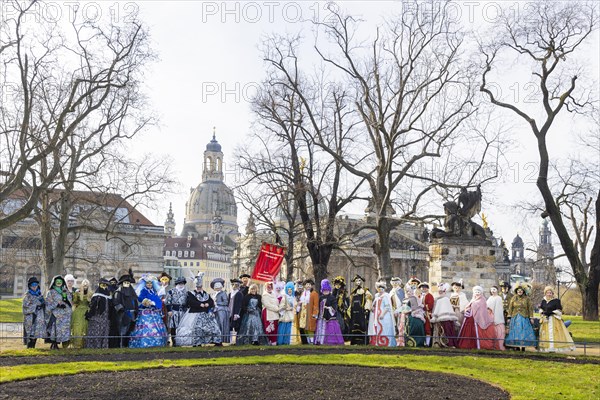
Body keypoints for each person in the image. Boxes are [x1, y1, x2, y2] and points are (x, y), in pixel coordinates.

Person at [178, 272, 223, 347]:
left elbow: (210, 301)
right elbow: (190, 301)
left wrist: (208, 304)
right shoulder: (191, 293)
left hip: (205, 313)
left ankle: (216, 341)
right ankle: (197, 342)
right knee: (196, 328)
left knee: (213, 327)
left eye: (200, 286)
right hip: (195, 313)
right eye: (198, 287)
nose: (199, 288)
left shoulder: (205, 293)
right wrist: (199, 304)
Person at [129, 275, 168, 348]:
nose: (149, 285)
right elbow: (140, 298)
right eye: (147, 283)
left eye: (150, 283)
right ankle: (145, 342)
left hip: (154, 311)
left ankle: (157, 342)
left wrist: (155, 304)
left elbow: (158, 300)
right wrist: (146, 301)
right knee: (146, 327)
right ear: (145, 284)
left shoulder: (154, 291)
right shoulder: (143, 291)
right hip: (146, 312)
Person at [457, 286, 496, 350]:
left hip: (478, 319)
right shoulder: (473, 299)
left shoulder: (482, 300)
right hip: (470, 317)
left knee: (476, 331)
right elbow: (469, 305)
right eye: (476, 292)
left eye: (478, 292)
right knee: (468, 330)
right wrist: (468, 308)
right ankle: (466, 344)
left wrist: (473, 306)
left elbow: (482, 309)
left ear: (481, 293)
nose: (477, 293)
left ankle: (476, 344)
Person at [538, 286, 575, 352]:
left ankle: (554, 348)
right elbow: (541, 308)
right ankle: (546, 348)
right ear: (545, 293)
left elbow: (559, 311)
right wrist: (542, 313)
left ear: (552, 293)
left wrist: (551, 312)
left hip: (553, 319)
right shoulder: (543, 301)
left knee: (554, 333)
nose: (549, 294)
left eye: (550, 293)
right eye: (547, 293)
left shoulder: (556, 301)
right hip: (545, 319)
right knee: (545, 333)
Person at [505, 282, 537, 351]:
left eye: (521, 290)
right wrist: (509, 317)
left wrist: (531, 317)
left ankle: (523, 347)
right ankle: (516, 346)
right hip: (515, 317)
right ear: (516, 291)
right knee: (515, 331)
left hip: (524, 317)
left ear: (523, 291)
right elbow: (510, 308)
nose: (520, 291)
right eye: (518, 291)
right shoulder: (513, 298)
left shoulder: (527, 299)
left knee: (523, 331)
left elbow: (530, 308)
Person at [45, 275, 73, 350]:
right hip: (55, 314)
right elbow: (48, 304)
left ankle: (59, 343)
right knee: (55, 329)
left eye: (60, 281)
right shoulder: (50, 292)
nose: (59, 283)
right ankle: (53, 344)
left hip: (65, 315)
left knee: (62, 330)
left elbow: (70, 301)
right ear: (54, 282)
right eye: (57, 281)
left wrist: (66, 301)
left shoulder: (65, 291)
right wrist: (57, 305)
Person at [314, 279, 345, 345]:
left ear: (329, 289)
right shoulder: (321, 297)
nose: (325, 291)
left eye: (326, 290)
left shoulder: (332, 298)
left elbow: (334, 308)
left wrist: (328, 308)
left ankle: (330, 342)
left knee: (331, 329)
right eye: (324, 290)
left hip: (330, 318)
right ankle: (320, 341)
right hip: (321, 317)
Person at [113, 271, 138, 348]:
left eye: (128, 283)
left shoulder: (132, 292)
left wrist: (136, 310)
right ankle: (121, 345)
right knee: (122, 331)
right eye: (125, 283)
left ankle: (128, 345)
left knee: (130, 331)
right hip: (123, 315)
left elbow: (135, 302)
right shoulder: (118, 292)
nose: (127, 284)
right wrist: (122, 311)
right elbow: (116, 303)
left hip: (132, 314)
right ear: (122, 283)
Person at [85, 278, 113, 349]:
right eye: (102, 285)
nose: (104, 287)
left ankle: (103, 347)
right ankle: (94, 347)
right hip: (97, 318)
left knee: (104, 332)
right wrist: (89, 315)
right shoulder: (96, 295)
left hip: (106, 318)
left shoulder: (108, 296)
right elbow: (92, 307)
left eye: (106, 285)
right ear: (99, 285)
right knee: (96, 332)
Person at [368, 280, 396, 347]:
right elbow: (374, 305)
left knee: (384, 329)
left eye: (382, 288)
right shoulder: (377, 296)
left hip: (384, 316)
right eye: (379, 288)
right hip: (376, 317)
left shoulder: (386, 296)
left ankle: (386, 342)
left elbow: (387, 307)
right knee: (378, 328)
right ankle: (377, 342)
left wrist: (382, 314)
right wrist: (372, 308)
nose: (380, 290)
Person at [430, 283, 458, 348]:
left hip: (446, 319)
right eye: (439, 291)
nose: (440, 292)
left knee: (446, 331)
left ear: (444, 292)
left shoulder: (446, 299)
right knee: (438, 331)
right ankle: (437, 343)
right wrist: (434, 316)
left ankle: (448, 344)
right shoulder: (436, 299)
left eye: (441, 291)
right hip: (437, 318)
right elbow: (435, 308)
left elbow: (449, 309)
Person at [22, 276, 46, 349]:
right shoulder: (27, 295)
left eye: (36, 285)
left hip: (39, 317)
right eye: (33, 285)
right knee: (30, 332)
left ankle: (33, 346)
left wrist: (43, 305)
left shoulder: (40, 294)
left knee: (36, 332)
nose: (34, 287)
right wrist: (35, 306)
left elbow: (44, 303)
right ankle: (29, 347)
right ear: (30, 286)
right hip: (31, 317)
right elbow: (25, 307)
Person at [348, 275, 372, 345]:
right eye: (356, 281)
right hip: (354, 312)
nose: (358, 282)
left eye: (359, 280)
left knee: (362, 326)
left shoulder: (365, 291)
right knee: (354, 326)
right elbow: (351, 302)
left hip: (361, 312)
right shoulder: (353, 292)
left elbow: (368, 299)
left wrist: (367, 309)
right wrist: (349, 310)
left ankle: (363, 342)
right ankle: (354, 341)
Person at [165, 277, 188, 346]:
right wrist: (169, 310)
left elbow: (188, 302)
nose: (181, 285)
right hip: (174, 311)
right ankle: (174, 341)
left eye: (182, 283)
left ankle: (181, 341)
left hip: (184, 312)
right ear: (176, 284)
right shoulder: (171, 291)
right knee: (173, 327)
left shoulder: (187, 292)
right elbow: (167, 302)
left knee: (182, 327)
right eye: (179, 283)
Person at [70, 279, 91, 349]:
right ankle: (77, 344)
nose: (85, 286)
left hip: (87, 312)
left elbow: (91, 303)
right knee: (78, 327)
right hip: (78, 312)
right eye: (84, 284)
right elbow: (74, 302)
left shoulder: (91, 293)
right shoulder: (78, 293)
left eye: (86, 285)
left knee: (86, 327)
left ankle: (85, 344)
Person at [299, 278, 319, 344]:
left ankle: (312, 341)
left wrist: (315, 313)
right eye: (307, 284)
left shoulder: (314, 293)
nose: (308, 286)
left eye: (309, 284)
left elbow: (316, 305)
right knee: (305, 328)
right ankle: (307, 341)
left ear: (311, 285)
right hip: (303, 314)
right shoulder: (303, 293)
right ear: (304, 286)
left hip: (310, 313)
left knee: (310, 328)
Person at [211, 277, 230, 344]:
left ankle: (221, 340)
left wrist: (217, 303)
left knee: (221, 324)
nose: (217, 288)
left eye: (219, 287)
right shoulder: (214, 294)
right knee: (216, 325)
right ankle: (216, 339)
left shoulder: (223, 293)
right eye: (216, 287)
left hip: (222, 311)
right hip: (216, 311)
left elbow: (225, 302)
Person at [486, 286, 506, 350]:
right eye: (491, 290)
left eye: (494, 289)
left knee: (498, 332)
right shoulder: (490, 298)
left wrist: (496, 319)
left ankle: (499, 346)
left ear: (497, 290)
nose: (493, 291)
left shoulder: (498, 298)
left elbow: (498, 309)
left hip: (496, 317)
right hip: (489, 316)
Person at [261, 281, 280, 345]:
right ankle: (269, 341)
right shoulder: (264, 295)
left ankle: (274, 341)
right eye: (268, 287)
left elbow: (277, 303)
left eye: (270, 287)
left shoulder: (274, 294)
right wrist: (277, 309)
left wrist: (278, 308)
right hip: (268, 314)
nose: (269, 288)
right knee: (269, 328)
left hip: (275, 314)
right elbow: (267, 305)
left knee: (275, 328)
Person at [419, 282, 435, 347]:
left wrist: (423, 306)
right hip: (420, 314)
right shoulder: (420, 295)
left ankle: (428, 343)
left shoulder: (430, 296)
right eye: (422, 288)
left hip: (427, 314)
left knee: (427, 328)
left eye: (425, 288)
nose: (423, 289)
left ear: (427, 288)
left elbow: (430, 305)